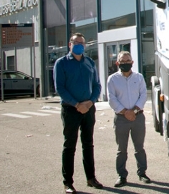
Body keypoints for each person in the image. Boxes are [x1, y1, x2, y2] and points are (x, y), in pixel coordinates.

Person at [54, 33, 104, 194]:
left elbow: (97, 85)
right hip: (71, 110)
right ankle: (68, 182)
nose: (80, 45)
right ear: (70, 44)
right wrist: (76, 104)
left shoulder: (89, 62)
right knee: (70, 146)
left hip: (88, 109)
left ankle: (91, 178)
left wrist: (90, 102)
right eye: (76, 42)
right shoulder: (61, 63)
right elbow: (60, 88)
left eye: (82, 43)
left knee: (88, 144)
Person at [107, 51, 150, 187]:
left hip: (138, 117)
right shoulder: (112, 79)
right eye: (122, 61)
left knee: (139, 148)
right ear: (117, 63)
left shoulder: (139, 77)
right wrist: (126, 112)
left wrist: (135, 111)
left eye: (128, 61)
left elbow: (143, 94)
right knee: (121, 149)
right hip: (121, 118)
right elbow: (111, 99)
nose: (125, 63)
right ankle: (121, 175)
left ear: (132, 62)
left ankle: (142, 173)